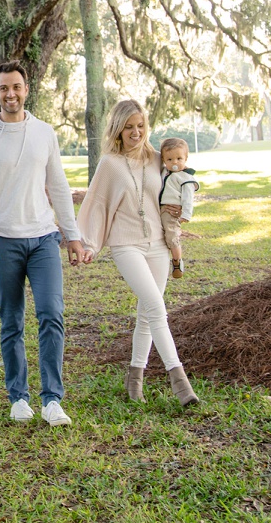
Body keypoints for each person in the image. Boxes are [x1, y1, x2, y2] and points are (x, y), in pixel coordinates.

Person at [0, 61, 90, 428]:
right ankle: (18, 397)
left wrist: (73, 235)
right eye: (4, 88)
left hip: (43, 237)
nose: (11, 94)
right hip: (2, 240)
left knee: (52, 314)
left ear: (26, 88)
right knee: (11, 320)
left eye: (16, 87)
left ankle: (52, 400)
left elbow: (59, 186)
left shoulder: (44, 133)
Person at [77, 100, 199, 407]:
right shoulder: (110, 163)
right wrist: (88, 244)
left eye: (141, 126)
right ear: (118, 129)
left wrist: (182, 209)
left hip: (158, 244)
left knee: (147, 314)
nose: (136, 132)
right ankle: (180, 382)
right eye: (129, 127)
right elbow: (97, 204)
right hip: (125, 244)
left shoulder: (158, 159)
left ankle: (135, 380)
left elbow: (179, 185)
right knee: (157, 307)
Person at [157, 136, 199, 279]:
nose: (174, 162)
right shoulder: (164, 172)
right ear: (164, 160)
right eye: (169, 160)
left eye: (179, 159)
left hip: (171, 211)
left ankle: (177, 261)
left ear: (185, 158)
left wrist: (186, 214)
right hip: (158, 208)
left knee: (171, 234)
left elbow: (188, 198)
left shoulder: (186, 178)